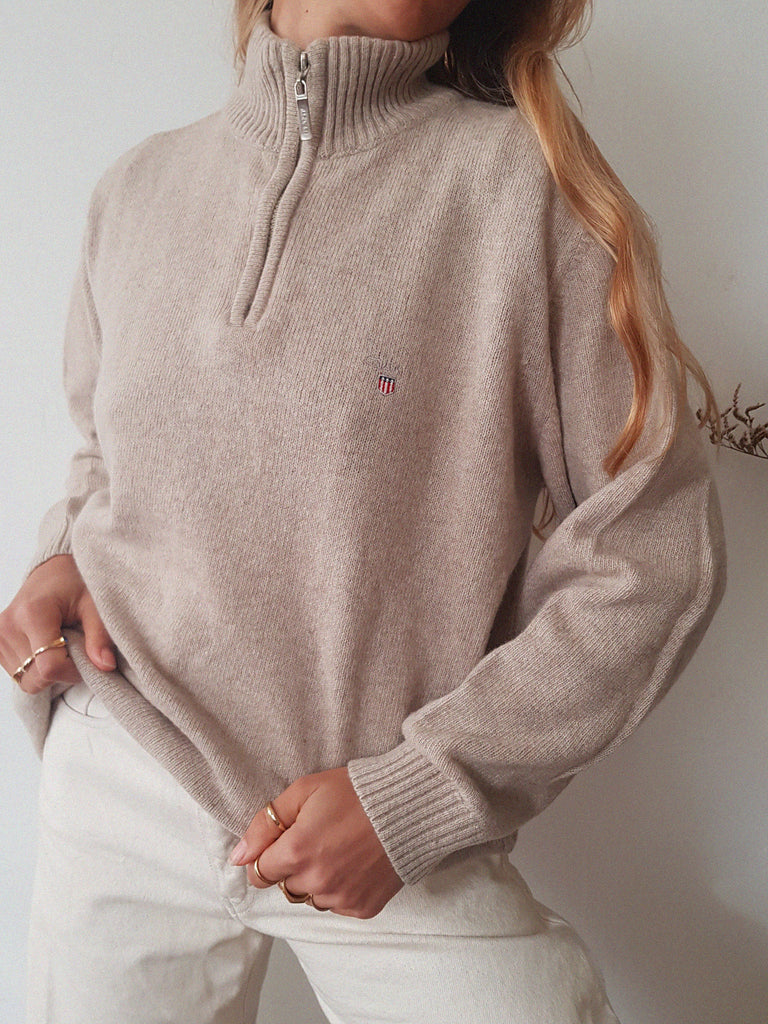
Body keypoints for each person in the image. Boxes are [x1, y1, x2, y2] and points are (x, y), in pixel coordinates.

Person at [2, 0, 727, 1021]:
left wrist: (423, 792)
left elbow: (651, 555)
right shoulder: (136, 189)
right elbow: (101, 455)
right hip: (123, 768)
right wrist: (59, 560)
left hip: (386, 819)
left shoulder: (532, 195)